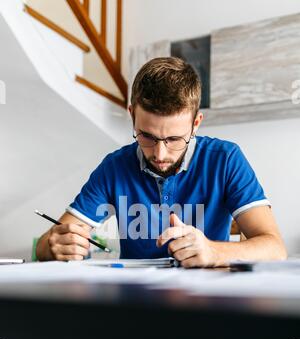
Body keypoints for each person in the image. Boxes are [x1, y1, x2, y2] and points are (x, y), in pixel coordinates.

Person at [36, 57, 287, 267]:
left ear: (196, 124)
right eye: (146, 136)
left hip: (208, 304)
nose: (160, 154)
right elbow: (48, 243)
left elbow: (275, 248)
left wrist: (213, 252)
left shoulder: (225, 159)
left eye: (174, 139)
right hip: (137, 305)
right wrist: (55, 245)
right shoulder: (114, 167)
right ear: (132, 114)